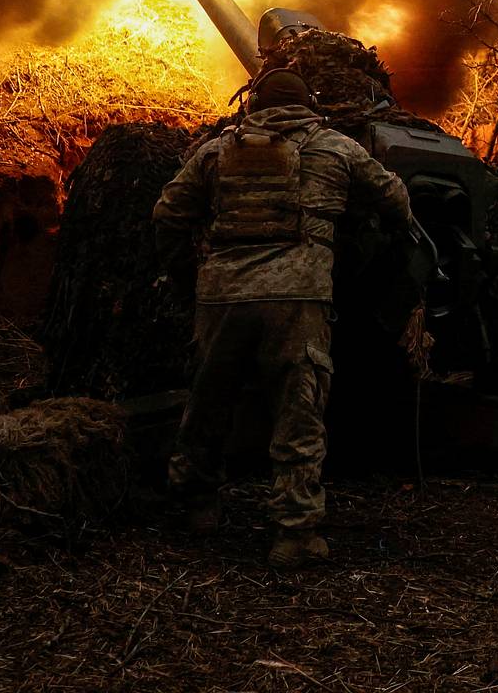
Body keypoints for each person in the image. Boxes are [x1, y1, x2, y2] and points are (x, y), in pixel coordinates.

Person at [153, 66, 412, 569]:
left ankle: (196, 507)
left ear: (255, 104)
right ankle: (293, 536)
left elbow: (167, 215)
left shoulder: (215, 151)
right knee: (298, 410)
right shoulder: (336, 148)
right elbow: (396, 199)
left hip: (223, 296)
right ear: (307, 103)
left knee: (207, 403)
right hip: (297, 297)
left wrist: (189, 280)